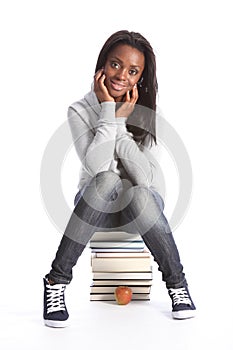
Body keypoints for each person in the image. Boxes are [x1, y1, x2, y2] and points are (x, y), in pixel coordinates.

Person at [43, 30, 196, 328]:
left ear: (140, 78)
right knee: (107, 182)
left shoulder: (151, 114)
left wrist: (121, 124)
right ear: (102, 65)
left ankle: (177, 285)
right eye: (115, 64)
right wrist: (109, 113)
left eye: (133, 70)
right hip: (95, 207)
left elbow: (144, 179)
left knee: (139, 193)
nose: (121, 75)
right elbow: (98, 168)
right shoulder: (79, 110)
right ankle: (56, 281)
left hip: (142, 209)